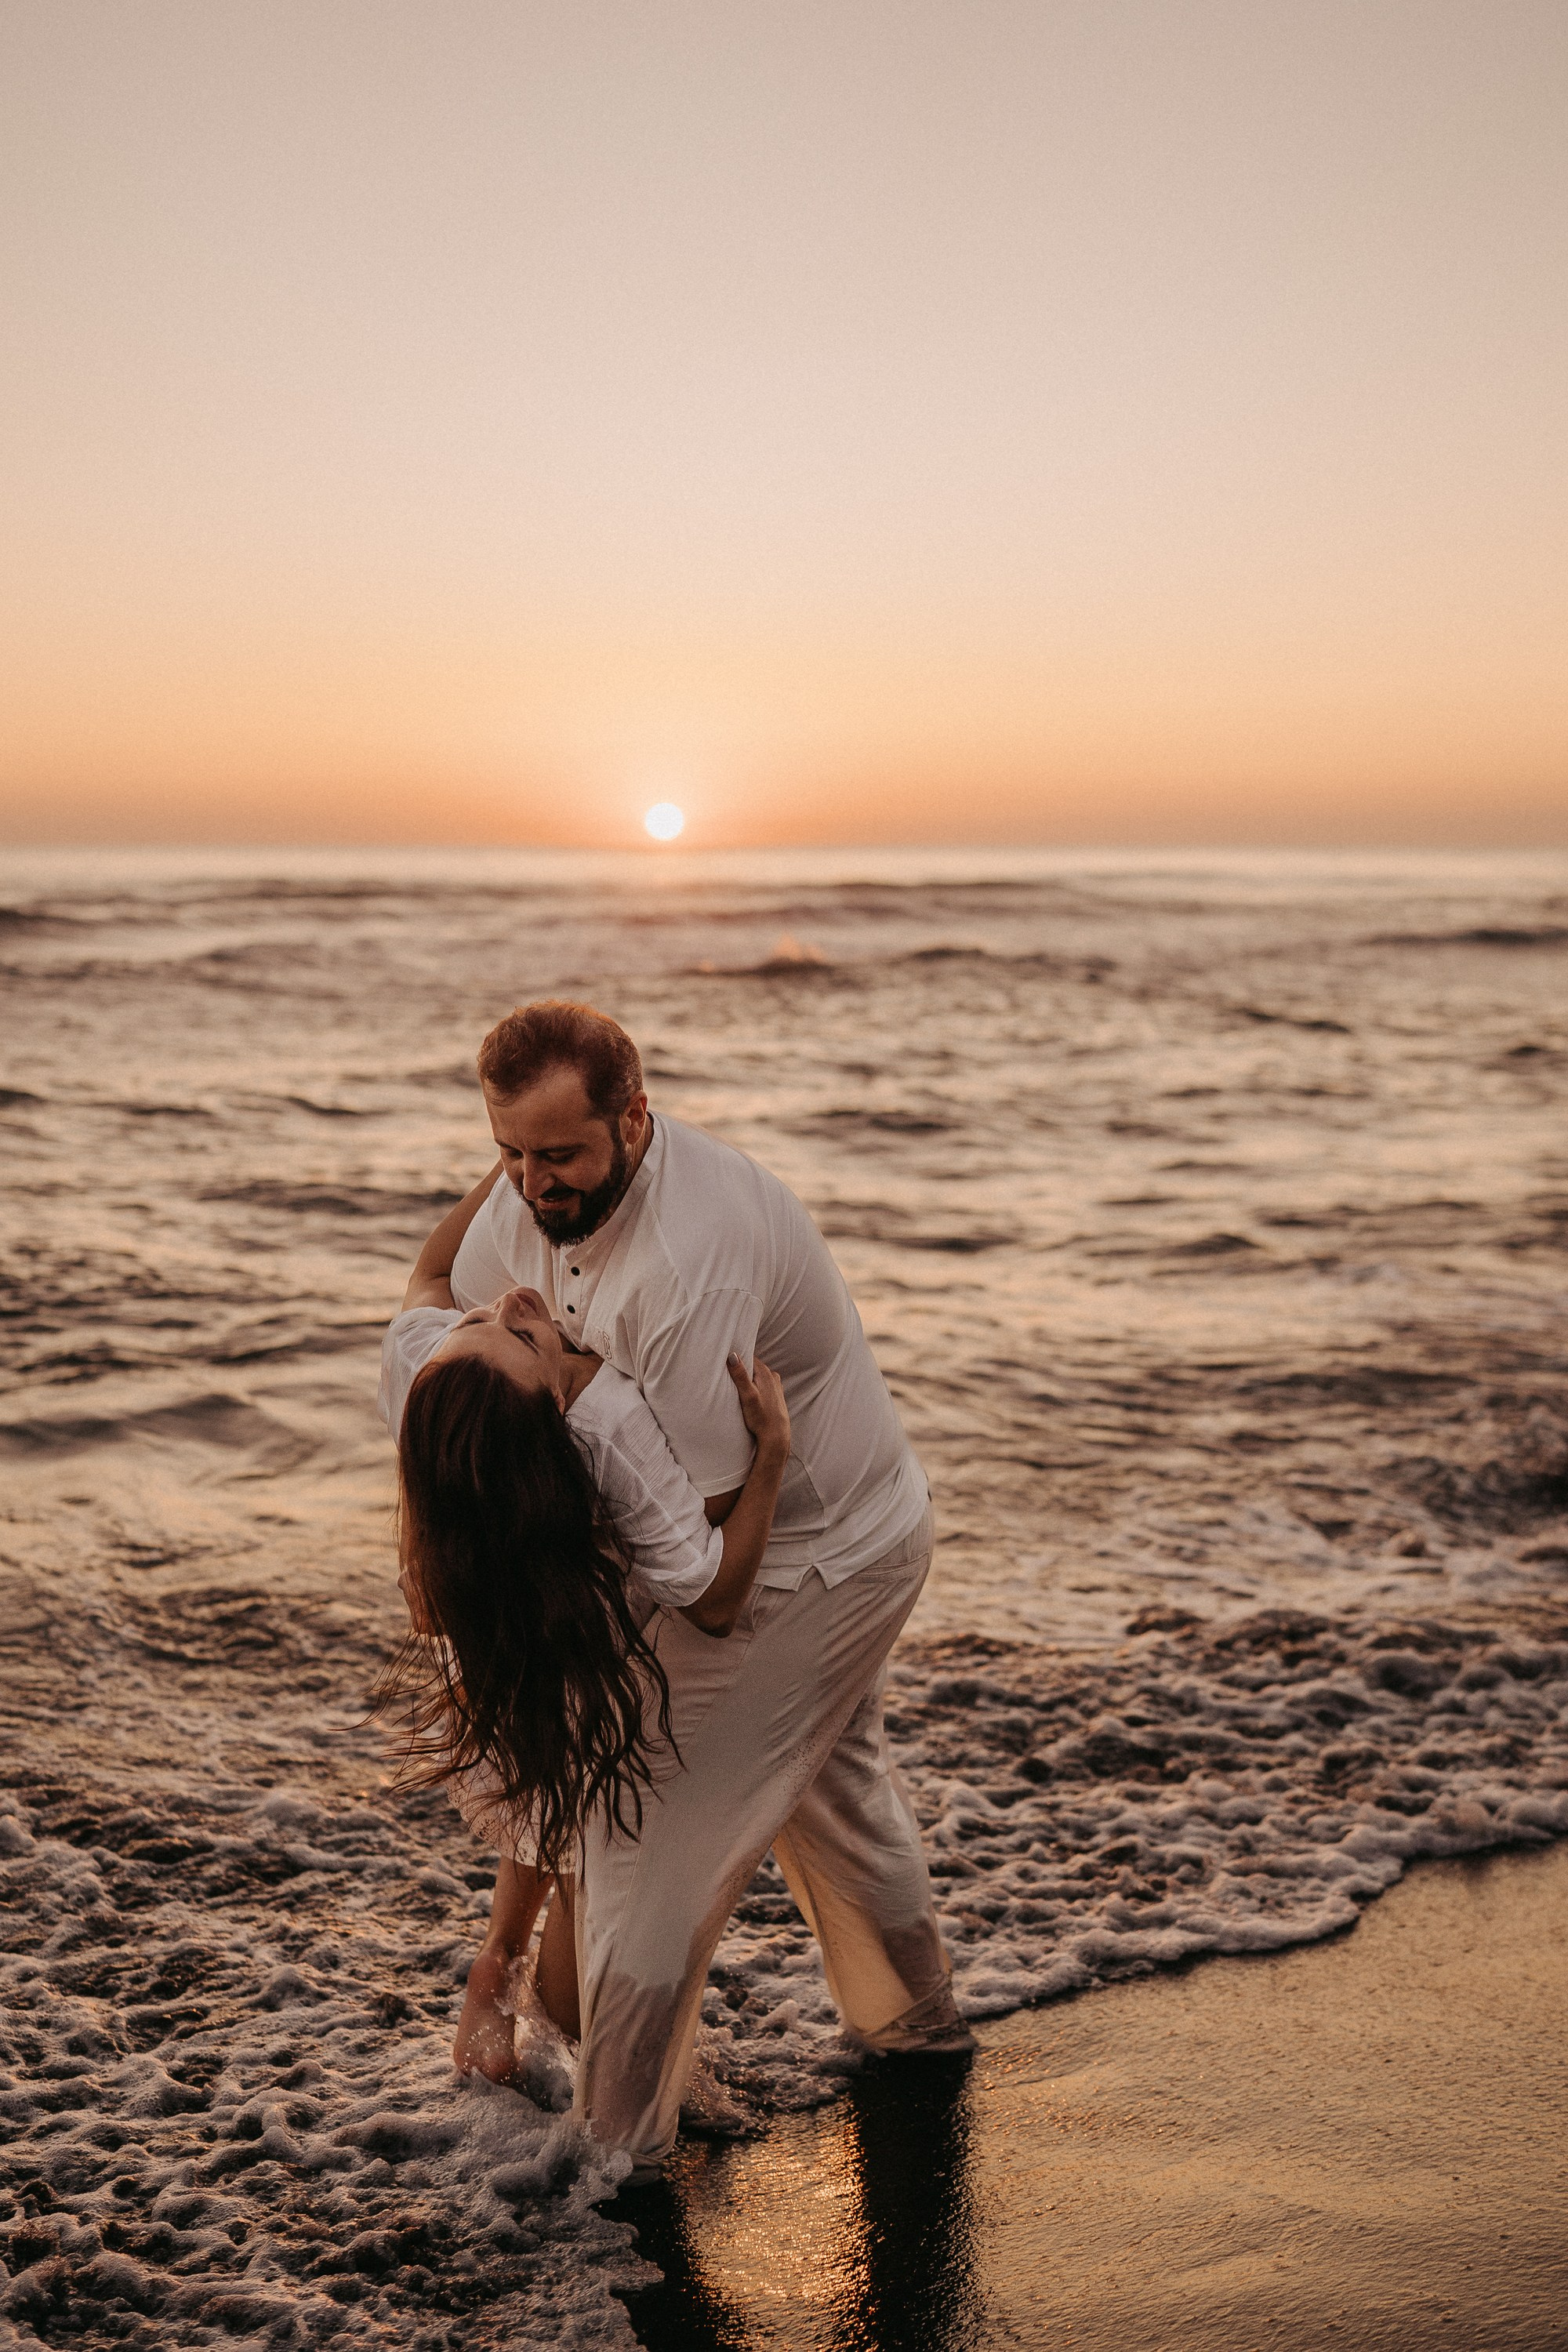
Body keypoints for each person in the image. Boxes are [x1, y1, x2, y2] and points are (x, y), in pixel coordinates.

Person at [383, 998, 970, 2178]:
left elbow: (698, 1559)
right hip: (743, 1537)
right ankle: (913, 2029)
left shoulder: (685, 1273)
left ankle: (617, 2150)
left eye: (559, 1155)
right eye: (509, 1152)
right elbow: (444, 1276)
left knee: (644, 1817)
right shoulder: (521, 1221)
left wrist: (534, 1577)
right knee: (827, 1778)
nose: (533, 1187)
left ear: (636, 1120)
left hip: (823, 1550)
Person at [376, 1286, 790, 2089]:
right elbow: (716, 1600)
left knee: (544, 1805)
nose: (513, 1299)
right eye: (520, 1338)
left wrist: (511, 1165)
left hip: (498, 1673)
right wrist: (770, 1452)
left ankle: (496, 1959)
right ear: (550, 1438)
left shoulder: (433, 1398)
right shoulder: (592, 1438)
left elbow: (429, 1270)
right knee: (579, 1878)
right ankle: (564, 2093)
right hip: (582, 1686)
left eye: (484, 1317)